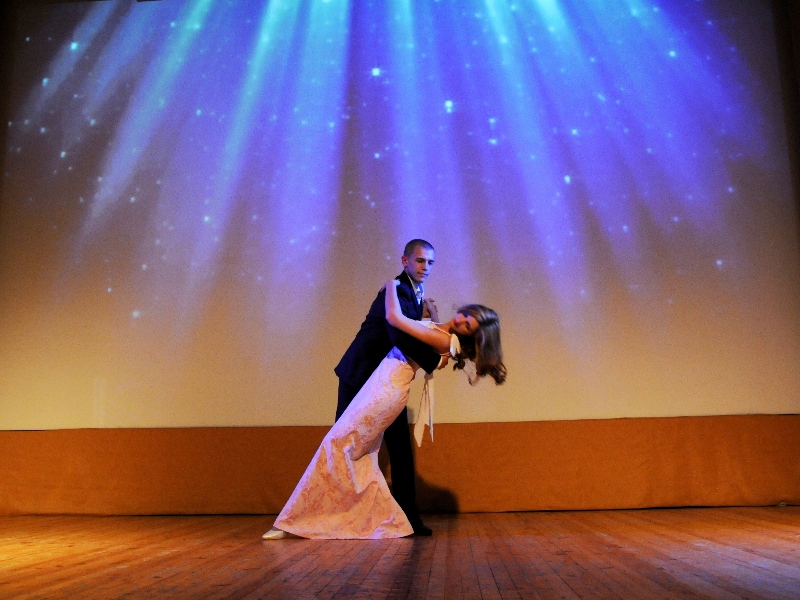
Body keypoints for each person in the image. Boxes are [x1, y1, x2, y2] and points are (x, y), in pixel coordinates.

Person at [262, 278, 505, 540]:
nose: (462, 320)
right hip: (379, 384)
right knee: (351, 450)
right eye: (467, 315)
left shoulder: (445, 341)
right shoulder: (440, 329)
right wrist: (431, 313)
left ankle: (299, 520)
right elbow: (427, 325)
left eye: (468, 325)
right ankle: (338, 516)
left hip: (386, 391)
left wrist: (390, 286)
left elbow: (395, 320)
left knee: (338, 444)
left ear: (471, 336)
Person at [333, 239, 443, 536]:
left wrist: (430, 317)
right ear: (405, 261)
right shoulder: (396, 289)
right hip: (359, 376)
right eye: (420, 260)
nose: (425, 267)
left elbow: (412, 328)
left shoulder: (414, 293)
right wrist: (435, 360)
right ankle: (336, 513)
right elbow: (398, 334)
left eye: (430, 262)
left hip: (383, 384)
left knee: (400, 449)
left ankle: (409, 519)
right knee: (342, 446)